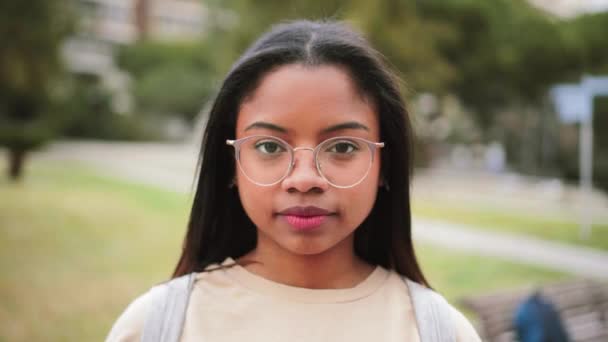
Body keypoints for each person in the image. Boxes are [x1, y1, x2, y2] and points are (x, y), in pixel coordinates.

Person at [106, 19, 481, 342]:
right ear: (231, 163)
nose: (304, 180)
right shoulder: (156, 326)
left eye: (343, 146)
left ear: (385, 164)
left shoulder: (439, 331)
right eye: (269, 146)